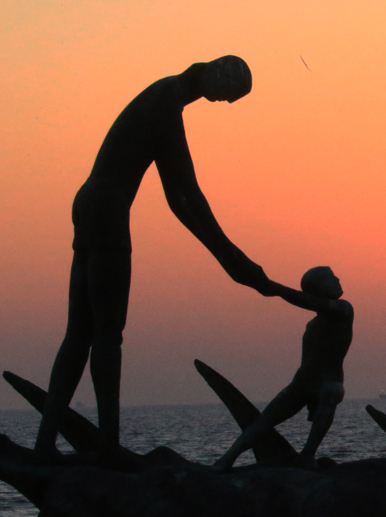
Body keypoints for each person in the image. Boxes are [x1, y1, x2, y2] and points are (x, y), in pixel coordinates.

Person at [36, 56, 273, 460]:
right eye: (229, 94)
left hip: (89, 203)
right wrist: (233, 259)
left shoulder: (165, 96)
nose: (225, 103)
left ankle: (47, 442)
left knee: (80, 332)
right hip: (108, 210)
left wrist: (231, 260)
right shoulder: (166, 103)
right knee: (106, 333)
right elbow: (184, 196)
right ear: (218, 74)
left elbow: (181, 195)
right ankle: (107, 445)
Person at [215, 267, 353, 470]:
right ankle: (226, 460)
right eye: (331, 277)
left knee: (333, 391)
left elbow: (310, 302)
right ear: (318, 287)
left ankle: (307, 454)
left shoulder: (344, 309)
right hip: (302, 383)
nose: (338, 278)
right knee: (264, 421)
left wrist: (274, 288)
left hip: (328, 382)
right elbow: (308, 358)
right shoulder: (313, 325)